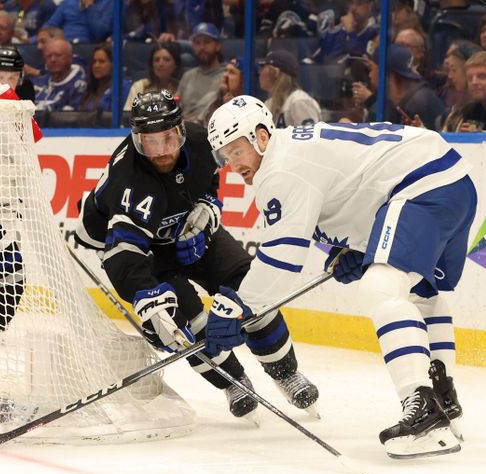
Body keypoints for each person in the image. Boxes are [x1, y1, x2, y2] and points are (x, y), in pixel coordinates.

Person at [205, 94, 474, 458]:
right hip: (450, 180)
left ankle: (423, 408)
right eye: (225, 156)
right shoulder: (293, 155)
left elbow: (282, 258)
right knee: (419, 293)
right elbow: (360, 185)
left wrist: (240, 306)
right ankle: (444, 400)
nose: (232, 164)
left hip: (421, 183)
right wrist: (359, 249)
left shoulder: (280, 169)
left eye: (237, 150)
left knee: (381, 287)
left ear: (261, 136)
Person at [74, 89, 319, 420]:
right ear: (136, 140)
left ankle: (286, 373)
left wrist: (207, 205)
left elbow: (208, 182)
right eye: (151, 143)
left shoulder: (203, 142)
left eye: (169, 139)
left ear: (182, 130)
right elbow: (123, 252)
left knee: (249, 286)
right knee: (184, 320)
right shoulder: (129, 180)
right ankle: (233, 382)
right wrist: (146, 298)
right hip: (145, 253)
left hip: (193, 232)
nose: (162, 153)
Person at [257, 50, 321, 127]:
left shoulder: (300, 101)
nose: (259, 72)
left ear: (275, 72)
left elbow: (310, 138)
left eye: (263, 67)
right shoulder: (269, 103)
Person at [176, 23, 224, 124]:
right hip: (186, 130)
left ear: (218, 46)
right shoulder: (188, 76)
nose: (202, 47)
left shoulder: (227, 75)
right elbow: (176, 106)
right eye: (197, 43)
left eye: (207, 42)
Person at [124, 42, 182, 111]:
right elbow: (127, 115)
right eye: (156, 60)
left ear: (175, 65)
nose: (160, 64)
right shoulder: (140, 86)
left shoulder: (182, 88)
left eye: (166, 59)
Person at [32, 38, 86, 111]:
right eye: (49, 56)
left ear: (70, 58)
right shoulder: (35, 83)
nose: (53, 59)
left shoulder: (79, 86)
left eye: (58, 55)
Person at [78, 43, 131, 112]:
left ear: (113, 64)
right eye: (94, 62)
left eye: (101, 61)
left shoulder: (121, 87)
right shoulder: (89, 88)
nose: (96, 65)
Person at [450, 51, 486, 132]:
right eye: (470, 78)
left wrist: (481, 137)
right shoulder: (467, 112)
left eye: (482, 76)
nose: (474, 82)